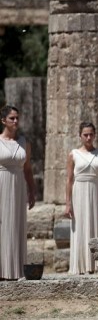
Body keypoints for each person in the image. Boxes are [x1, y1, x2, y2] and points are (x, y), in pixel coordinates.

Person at [64, 122, 98, 274]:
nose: (89, 137)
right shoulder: (73, 154)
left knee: (96, 225)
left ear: (94, 135)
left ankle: (97, 264)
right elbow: (69, 180)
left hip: (97, 191)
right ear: (80, 136)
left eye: (91, 134)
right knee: (80, 227)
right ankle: (81, 265)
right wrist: (68, 203)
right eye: (85, 135)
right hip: (79, 192)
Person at [0, 105, 36, 280]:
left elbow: (27, 169)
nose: (15, 121)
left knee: (16, 225)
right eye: (12, 118)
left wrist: (32, 191)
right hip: (1, 183)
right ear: (3, 121)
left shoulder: (24, 143)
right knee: (2, 225)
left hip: (18, 185)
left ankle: (15, 270)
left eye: (17, 118)